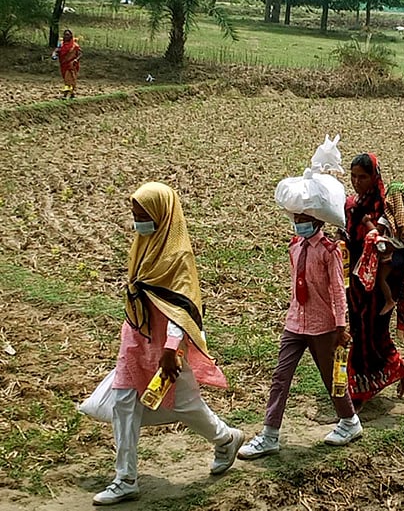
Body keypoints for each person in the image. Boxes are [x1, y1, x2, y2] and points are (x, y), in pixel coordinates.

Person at [89, 182, 243, 505]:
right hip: (136, 338)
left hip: (167, 346)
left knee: (186, 405)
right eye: (134, 214)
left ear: (161, 214)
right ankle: (125, 478)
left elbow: (182, 305)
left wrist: (171, 348)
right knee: (123, 402)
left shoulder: (177, 256)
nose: (137, 221)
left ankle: (226, 439)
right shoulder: (142, 244)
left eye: (142, 214)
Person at [238, 203, 361, 460]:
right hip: (295, 322)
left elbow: (338, 291)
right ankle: (269, 434)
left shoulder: (329, 251)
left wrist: (341, 327)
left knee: (331, 377)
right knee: (280, 377)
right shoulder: (294, 246)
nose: (299, 224)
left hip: (323, 325)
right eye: (296, 219)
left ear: (317, 220)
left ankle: (349, 421)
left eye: (304, 219)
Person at [344, 156, 404, 404]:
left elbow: (397, 242)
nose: (357, 182)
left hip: (380, 280)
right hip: (356, 278)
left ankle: (362, 388)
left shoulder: (384, 207)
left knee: (371, 330)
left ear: (374, 177)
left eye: (363, 177)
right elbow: (349, 235)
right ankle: (398, 368)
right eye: (353, 176)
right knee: (359, 329)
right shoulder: (351, 204)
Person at [54, 29, 82, 99]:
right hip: (63, 64)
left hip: (71, 64)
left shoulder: (74, 45)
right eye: (65, 35)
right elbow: (57, 50)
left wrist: (76, 60)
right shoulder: (61, 44)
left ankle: (67, 94)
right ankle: (71, 94)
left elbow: (80, 54)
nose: (66, 36)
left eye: (68, 35)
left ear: (71, 36)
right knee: (66, 78)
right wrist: (54, 54)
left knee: (69, 78)